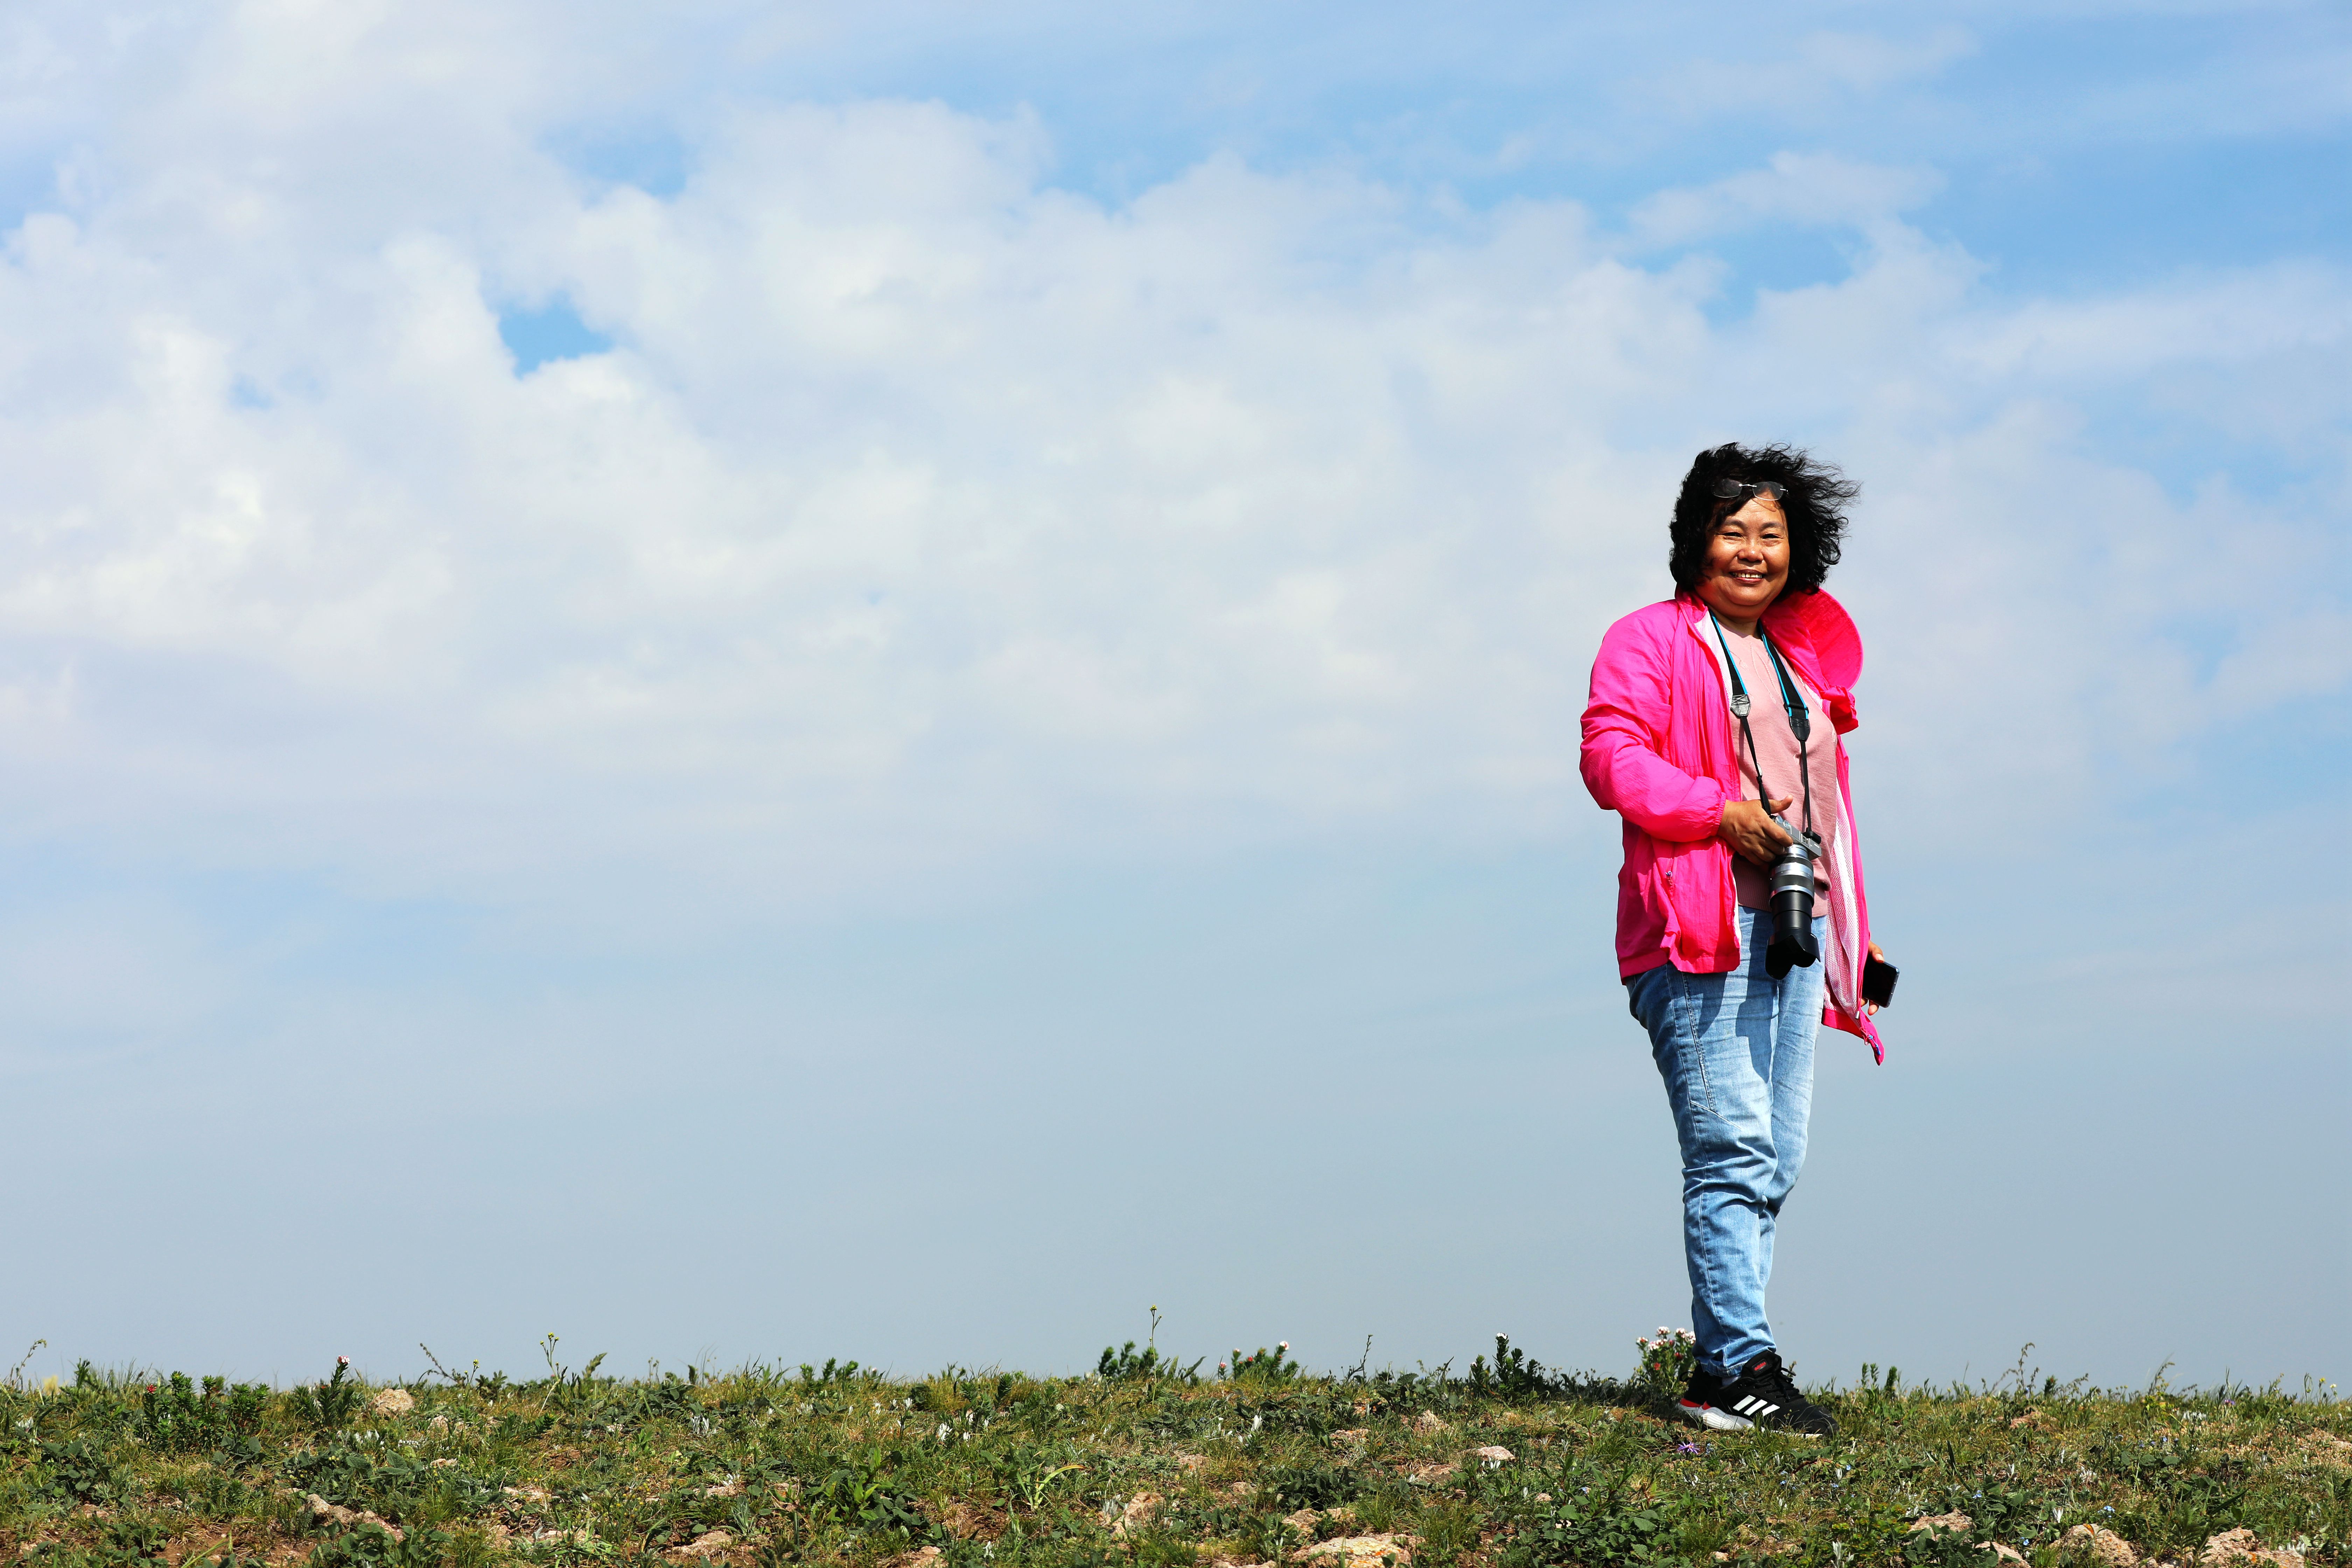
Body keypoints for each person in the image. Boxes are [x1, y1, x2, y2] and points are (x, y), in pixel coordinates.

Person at [1579, 442, 1891, 1438]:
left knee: (1776, 1151)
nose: (1752, 551)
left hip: (1792, 928)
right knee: (1731, 1145)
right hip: (1697, 926)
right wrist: (1721, 816)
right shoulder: (1649, 639)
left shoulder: (1798, 661)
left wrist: (1850, 941)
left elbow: (1829, 811)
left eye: (1772, 534)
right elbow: (1611, 757)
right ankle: (1735, 1368)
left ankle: (1736, 1362)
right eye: (1732, 532)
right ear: (1694, 543)